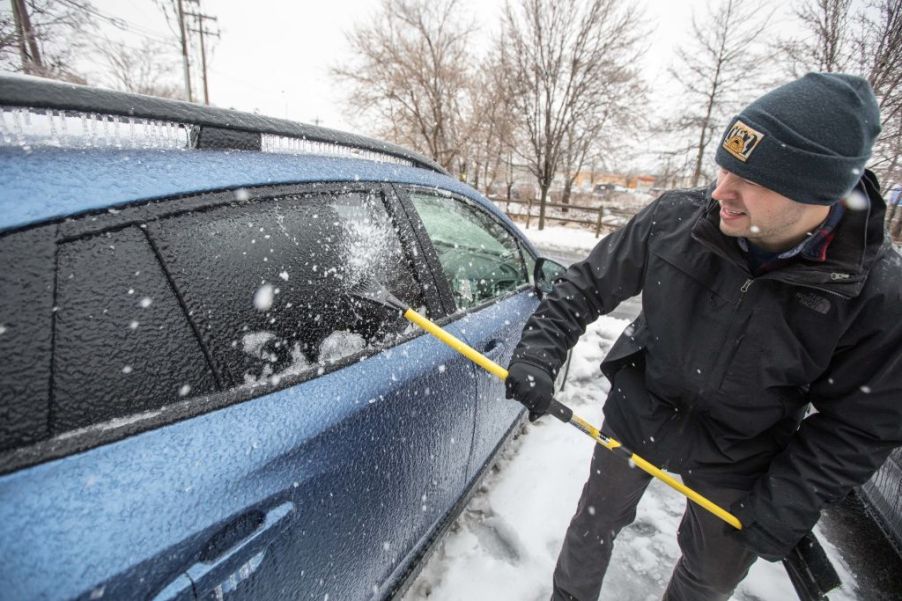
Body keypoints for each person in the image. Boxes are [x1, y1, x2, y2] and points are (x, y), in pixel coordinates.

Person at [504, 72, 902, 601]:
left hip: (744, 455)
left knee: (709, 575)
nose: (720, 192)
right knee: (594, 523)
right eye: (725, 167)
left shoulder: (875, 292)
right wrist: (539, 352)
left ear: (818, 194)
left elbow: (862, 424)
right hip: (641, 410)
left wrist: (787, 501)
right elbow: (587, 281)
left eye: (750, 180)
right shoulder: (678, 218)